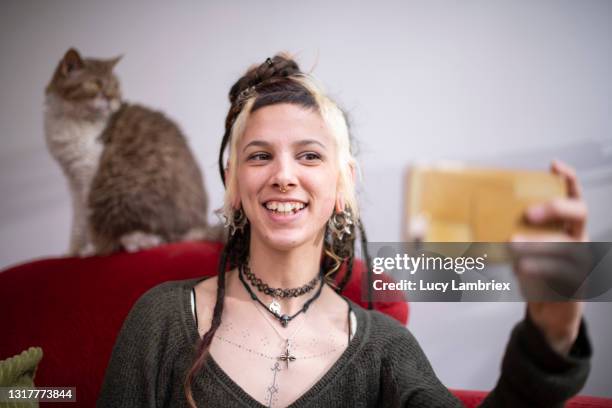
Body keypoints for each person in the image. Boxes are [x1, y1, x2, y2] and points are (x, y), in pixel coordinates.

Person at [98, 54, 591, 407]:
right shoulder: (161, 320)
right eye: (259, 155)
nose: (283, 175)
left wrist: (550, 337)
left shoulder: (383, 347)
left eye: (309, 155)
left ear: (343, 184)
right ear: (232, 183)